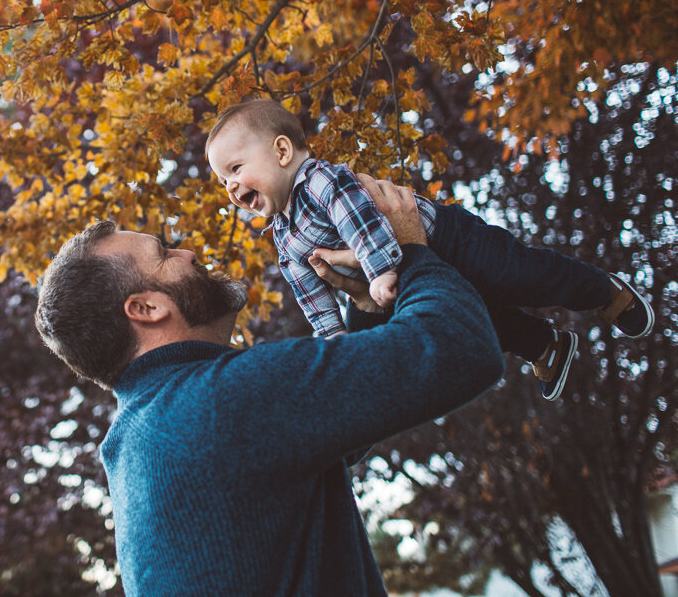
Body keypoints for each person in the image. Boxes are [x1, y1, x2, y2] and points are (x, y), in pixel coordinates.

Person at [34, 179, 504, 596]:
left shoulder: (143, 435)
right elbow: (459, 347)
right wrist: (409, 249)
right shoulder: (222, 401)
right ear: (146, 308)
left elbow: (348, 414)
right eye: (164, 255)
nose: (188, 253)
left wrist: (371, 301)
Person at [205, 98, 655, 400]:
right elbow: (311, 295)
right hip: (403, 279)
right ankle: (546, 346)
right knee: (476, 319)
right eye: (222, 179)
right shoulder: (283, 236)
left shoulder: (317, 179)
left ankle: (601, 290)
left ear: (282, 150)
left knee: (518, 275)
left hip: (445, 239)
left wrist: (378, 268)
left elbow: (356, 219)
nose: (229, 185)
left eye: (236, 168)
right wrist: (334, 343)